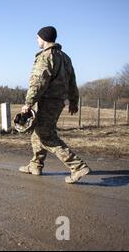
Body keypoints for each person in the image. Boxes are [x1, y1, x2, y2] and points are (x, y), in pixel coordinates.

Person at [19, 26, 91, 184]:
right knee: (38, 133)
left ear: (44, 39)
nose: (36, 40)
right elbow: (72, 81)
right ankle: (35, 165)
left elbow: (38, 83)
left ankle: (77, 166)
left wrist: (28, 103)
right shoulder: (65, 57)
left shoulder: (46, 57)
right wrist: (73, 101)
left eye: (37, 37)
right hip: (58, 102)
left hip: (47, 101)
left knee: (45, 136)